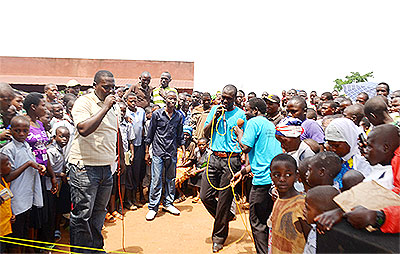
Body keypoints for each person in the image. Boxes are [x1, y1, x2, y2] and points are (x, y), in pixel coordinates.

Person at [67, 70, 125, 253]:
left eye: (112, 87)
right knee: (82, 214)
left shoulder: (114, 106)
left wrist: (122, 158)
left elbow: (116, 132)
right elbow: (83, 129)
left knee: (99, 213)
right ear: (95, 85)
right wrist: (105, 107)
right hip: (84, 168)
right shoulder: (84, 102)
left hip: (106, 168)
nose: (110, 90)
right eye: (105, 87)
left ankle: (96, 249)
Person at [201, 84, 247, 253]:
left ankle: (218, 237)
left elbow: (245, 140)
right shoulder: (215, 110)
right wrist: (215, 118)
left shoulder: (241, 115)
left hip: (231, 160)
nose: (225, 101)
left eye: (229, 98)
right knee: (204, 196)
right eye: (223, 97)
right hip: (213, 158)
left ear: (235, 99)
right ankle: (225, 216)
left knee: (224, 200)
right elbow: (206, 134)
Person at [232, 97, 282, 254]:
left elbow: (246, 147)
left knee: (257, 222)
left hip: (261, 182)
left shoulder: (254, 123)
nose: (245, 112)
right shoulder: (270, 125)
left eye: (247, 109)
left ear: (255, 111)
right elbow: (263, 157)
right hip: (273, 180)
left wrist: (240, 133)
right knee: (267, 219)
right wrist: (242, 172)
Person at [1, 116, 45, 253]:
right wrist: (28, 164)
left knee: (25, 233)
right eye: (17, 130)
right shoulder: (8, 150)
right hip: (16, 200)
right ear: (11, 131)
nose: (21, 134)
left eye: (25, 131)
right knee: (15, 240)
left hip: (27, 197)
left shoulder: (26, 145)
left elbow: (30, 163)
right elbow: (7, 177)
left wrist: (38, 167)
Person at [144, 90, 184, 221]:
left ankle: (168, 203)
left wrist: (182, 149)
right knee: (156, 179)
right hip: (158, 151)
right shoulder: (157, 114)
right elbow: (150, 134)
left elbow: (180, 134)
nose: (172, 101)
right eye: (170, 99)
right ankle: (153, 207)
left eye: (174, 99)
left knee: (171, 179)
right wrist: (146, 151)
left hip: (171, 151)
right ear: (165, 100)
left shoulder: (178, 116)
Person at [268, 154, 309, 254]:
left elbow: (310, 239)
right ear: (271, 176)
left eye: (288, 175)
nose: (282, 179)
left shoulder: (301, 205)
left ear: (296, 176)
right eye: (277, 175)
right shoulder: (278, 200)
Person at [325, 118, 372, 188]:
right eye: (330, 145)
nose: (333, 149)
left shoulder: (363, 161)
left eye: (336, 145)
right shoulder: (334, 159)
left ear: (349, 140)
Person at [46, 126, 70, 242]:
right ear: (55, 136)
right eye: (61, 136)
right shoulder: (51, 151)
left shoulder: (62, 149)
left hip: (60, 184)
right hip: (50, 185)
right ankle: (49, 236)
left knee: (58, 208)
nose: (64, 139)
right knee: (51, 209)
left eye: (67, 137)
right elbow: (46, 170)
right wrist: (60, 175)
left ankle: (56, 229)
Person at [303, 185, 340, 254]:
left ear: (323, 215)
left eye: (307, 208)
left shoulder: (326, 240)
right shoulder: (315, 229)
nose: (304, 210)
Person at [125, 93, 146, 208]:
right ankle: (128, 200)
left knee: (137, 173)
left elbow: (142, 127)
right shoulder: (124, 112)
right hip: (128, 147)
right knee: (129, 173)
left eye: (135, 101)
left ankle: (136, 198)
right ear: (126, 101)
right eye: (130, 101)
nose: (133, 103)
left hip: (139, 145)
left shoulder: (141, 111)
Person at [362, 124, 399, 189]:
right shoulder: (380, 168)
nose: (365, 150)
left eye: (369, 146)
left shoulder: (386, 180)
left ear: (385, 148)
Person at [187, 137, 211, 203]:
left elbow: (209, 166)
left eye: (203, 145)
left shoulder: (209, 153)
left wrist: (197, 171)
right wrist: (194, 169)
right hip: (198, 167)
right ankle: (195, 192)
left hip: (205, 168)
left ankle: (199, 195)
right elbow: (194, 161)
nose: (201, 146)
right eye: (199, 145)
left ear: (207, 145)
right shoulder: (196, 150)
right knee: (191, 174)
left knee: (201, 175)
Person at [0, 153, 14, 253]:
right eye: (7, 164)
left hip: (4, 227)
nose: (10, 165)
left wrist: (11, 214)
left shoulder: (4, 181)